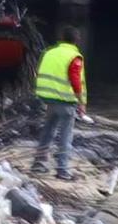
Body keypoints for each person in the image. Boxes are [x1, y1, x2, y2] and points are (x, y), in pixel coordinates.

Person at [31, 26, 87, 181]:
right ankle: (62, 170)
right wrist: (81, 102)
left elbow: (39, 71)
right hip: (65, 101)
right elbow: (75, 80)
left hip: (47, 98)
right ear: (77, 40)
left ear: (61, 38)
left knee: (48, 131)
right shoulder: (74, 57)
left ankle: (39, 164)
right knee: (65, 136)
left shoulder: (49, 52)